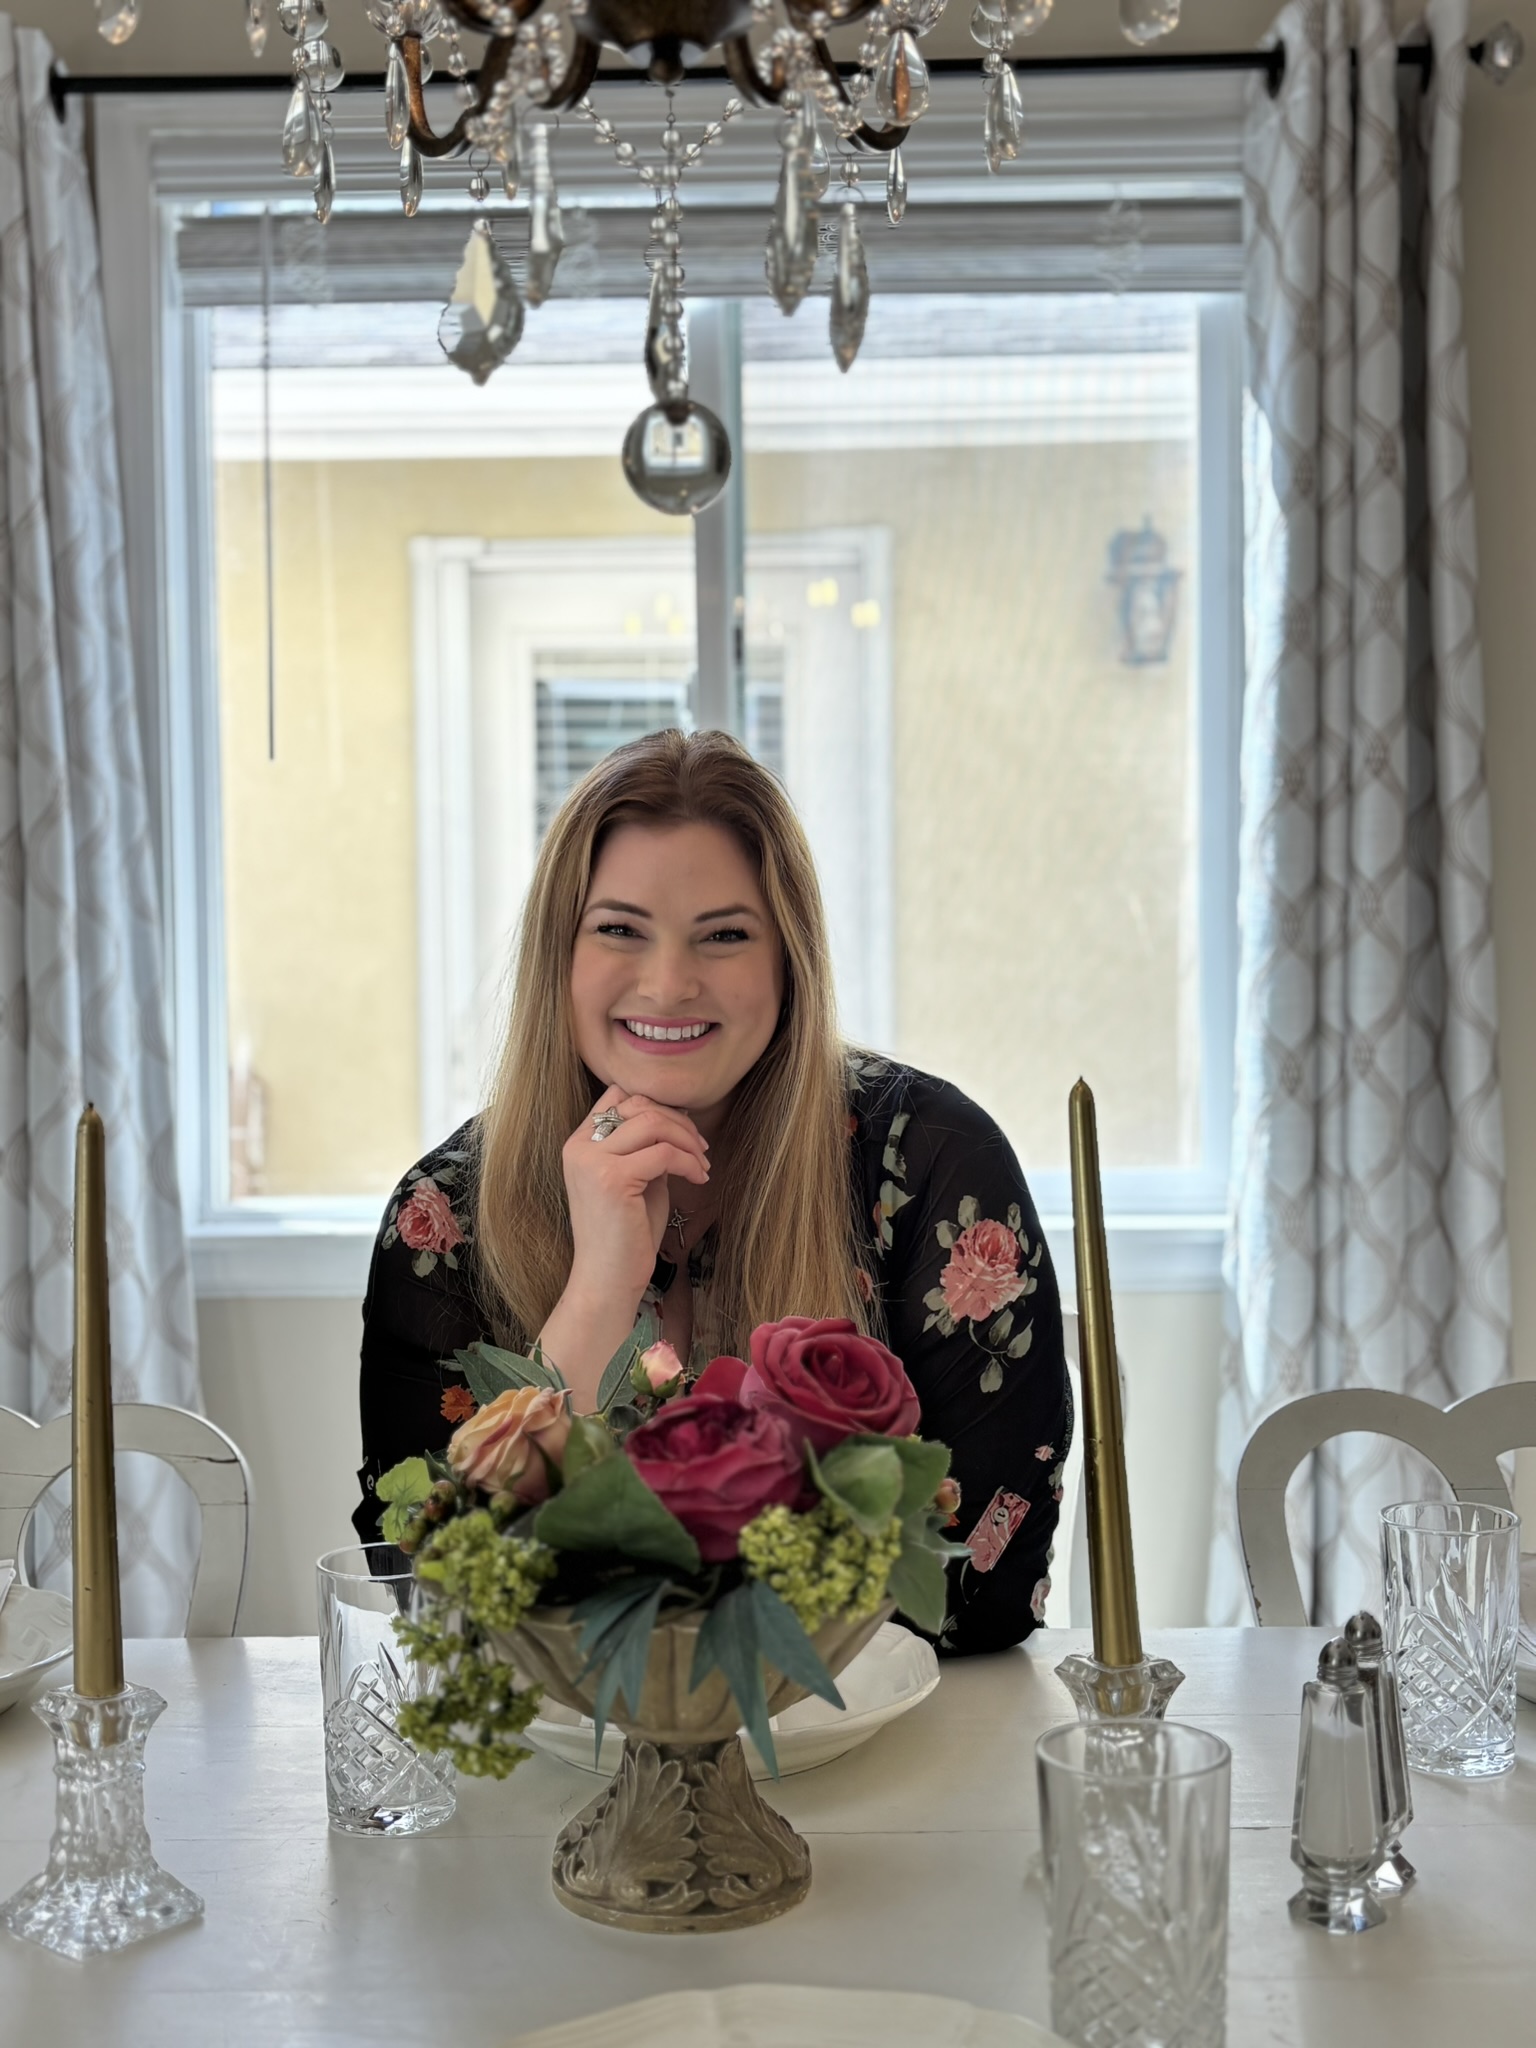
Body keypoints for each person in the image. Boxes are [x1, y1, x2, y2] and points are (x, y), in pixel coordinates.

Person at [354, 729, 1071, 1655]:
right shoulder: (443, 1219)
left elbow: (982, 1587)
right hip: (560, 1779)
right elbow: (433, 1595)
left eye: (725, 935)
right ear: (558, 957)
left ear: (788, 960)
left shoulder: (935, 1168)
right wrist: (598, 1293)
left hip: (883, 1765)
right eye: (619, 929)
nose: (668, 984)